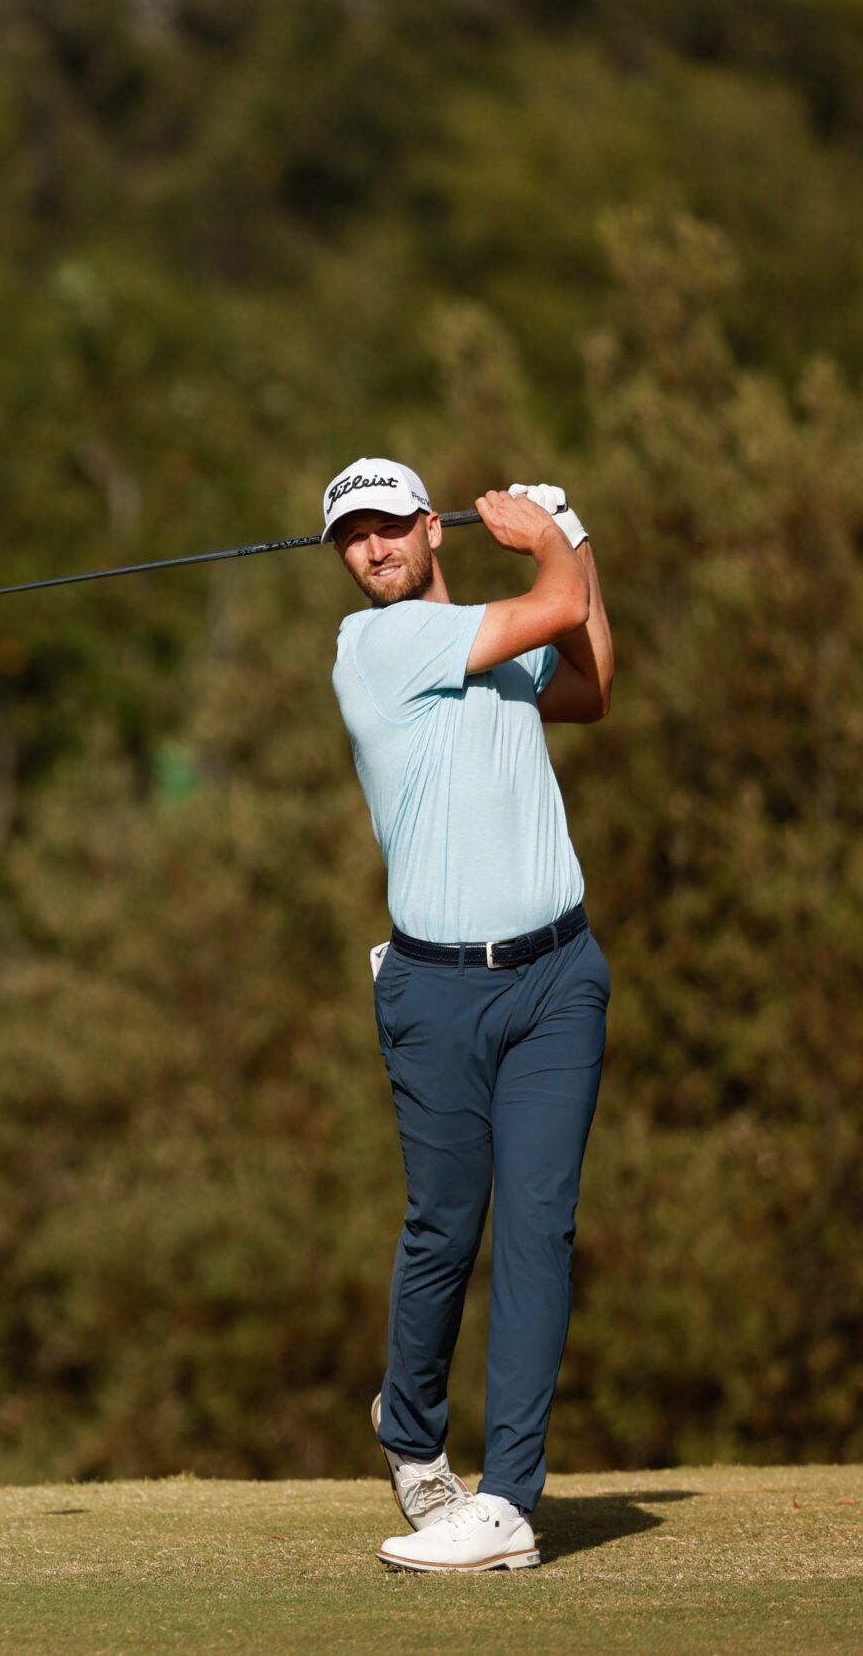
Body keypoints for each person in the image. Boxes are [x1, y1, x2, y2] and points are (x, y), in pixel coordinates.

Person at [321, 457, 616, 1572]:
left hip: (555, 980)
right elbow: (555, 603)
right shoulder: (377, 648)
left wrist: (568, 532)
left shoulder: (491, 641)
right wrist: (545, 537)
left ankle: (507, 1501)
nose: (374, 548)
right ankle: (408, 1431)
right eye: (352, 538)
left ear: (427, 530)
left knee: (538, 1226)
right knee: (446, 1224)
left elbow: (589, 678)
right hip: (436, 993)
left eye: (391, 525)